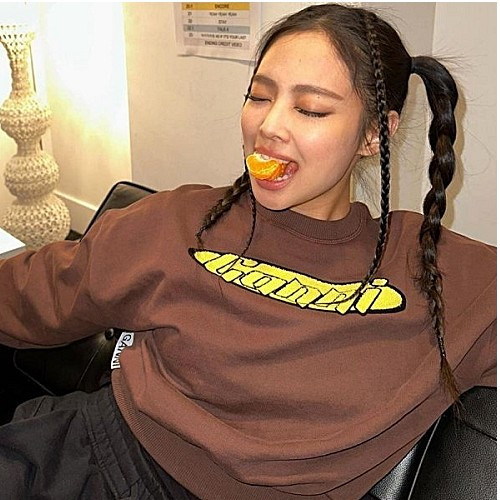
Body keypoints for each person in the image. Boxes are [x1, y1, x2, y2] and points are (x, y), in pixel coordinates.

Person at [0, 3, 495, 499]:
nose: (268, 126)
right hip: (94, 460)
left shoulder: (433, 268)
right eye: (259, 97)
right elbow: (31, 295)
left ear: (374, 133)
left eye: (310, 109)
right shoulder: (177, 221)